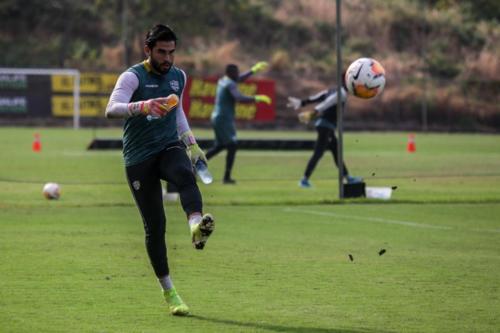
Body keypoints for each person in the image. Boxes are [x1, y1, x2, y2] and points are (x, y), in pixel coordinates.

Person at [105, 24, 214, 316]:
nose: (168, 58)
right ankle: (170, 292)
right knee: (155, 228)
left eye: (171, 52)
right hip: (139, 158)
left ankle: (195, 224)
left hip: (168, 146)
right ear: (148, 50)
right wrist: (142, 106)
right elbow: (111, 108)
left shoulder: (179, 77)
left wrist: (191, 144)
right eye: (162, 52)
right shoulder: (132, 76)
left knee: (184, 173)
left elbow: (177, 112)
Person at [287, 74, 362, 188]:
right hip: (325, 126)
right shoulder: (341, 93)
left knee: (337, 152)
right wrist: (314, 112)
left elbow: (318, 96)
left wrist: (303, 103)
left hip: (326, 126)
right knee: (318, 153)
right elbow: (326, 103)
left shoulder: (333, 89)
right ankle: (304, 180)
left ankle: (348, 178)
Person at [205, 62, 272, 184]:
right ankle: (226, 178)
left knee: (220, 146)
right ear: (230, 73)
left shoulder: (224, 80)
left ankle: (196, 168)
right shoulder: (230, 83)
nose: (238, 74)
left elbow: (239, 79)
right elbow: (239, 98)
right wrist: (257, 98)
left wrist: (253, 70)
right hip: (223, 119)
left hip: (218, 117)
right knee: (232, 145)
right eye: (236, 72)